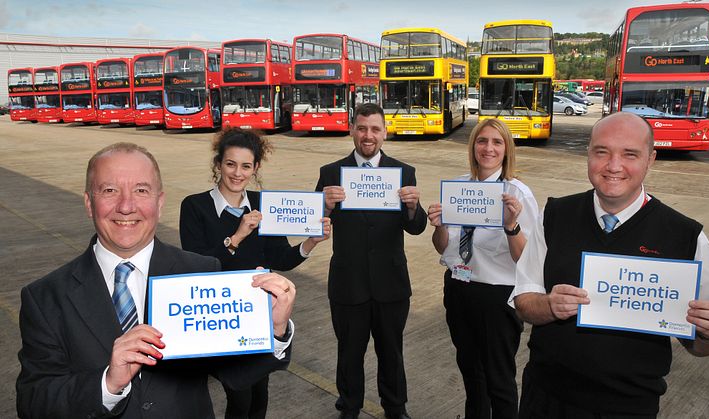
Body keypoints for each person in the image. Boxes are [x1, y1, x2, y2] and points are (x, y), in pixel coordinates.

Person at [16, 142, 297, 419]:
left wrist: (273, 330)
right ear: (89, 203)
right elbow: (34, 402)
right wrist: (107, 385)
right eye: (110, 190)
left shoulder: (200, 273)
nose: (126, 206)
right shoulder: (45, 297)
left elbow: (234, 375)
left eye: (141, 190)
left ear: (159, 202)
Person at [512, 112, 709, 418]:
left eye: (630, 154)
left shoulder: (685, 236)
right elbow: (523, 302)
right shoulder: (554, 216)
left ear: (651, 159)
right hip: (546, 398)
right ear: (588, 154)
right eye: (601, 152)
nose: (613, 166)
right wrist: (549, 305)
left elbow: (703, 346)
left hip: (629, 408)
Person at [179, 128, 331, 419]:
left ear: (255, 168)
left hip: (259, 314)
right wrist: (235, 237)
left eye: (246, 166)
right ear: (218, 164)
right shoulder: (195, 206)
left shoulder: (263, 205)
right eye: (230, 164)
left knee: (260, 396)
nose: (238, 173)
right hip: (221, 314)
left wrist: (312, 241)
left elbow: (281, 259)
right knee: (239, 396)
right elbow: (196, 265)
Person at [315, 103, 427, 419]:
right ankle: (349, 406)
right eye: (362, 128)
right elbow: (313, 224)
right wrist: (323, 206)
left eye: (375, 129)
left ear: (384, 133)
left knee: (391, 351)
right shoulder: (330, 173)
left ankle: (395, 407)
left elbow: (416, 227)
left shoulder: (404, 172)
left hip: (391, 283)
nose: (368, 136)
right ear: (352, 130)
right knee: (349, 352)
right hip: (348, 282)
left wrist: (412, 207)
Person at [427, 118, 539, 419]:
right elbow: (443, 246)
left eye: (497, 142)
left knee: (499, 379)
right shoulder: (458, 187)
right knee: (471, 375)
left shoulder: (518, 194)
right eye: (482, 141)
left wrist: (511, 226)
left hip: (496, 297)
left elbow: (528, 259)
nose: (488, 148)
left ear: (506, 150)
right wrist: (438, 227)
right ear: (473, 146)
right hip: (459, 289)